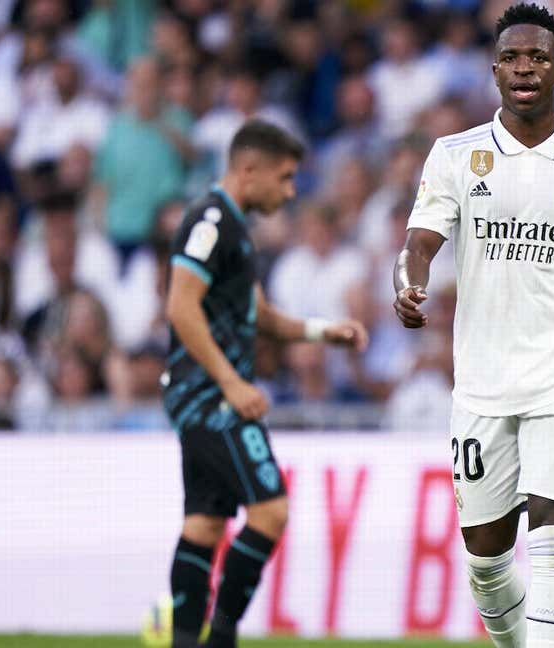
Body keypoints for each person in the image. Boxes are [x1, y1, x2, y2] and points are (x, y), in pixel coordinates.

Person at [391, 5, 554, 647]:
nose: (524, 67)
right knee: (486, 562)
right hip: (481, 383)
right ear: (494, 70)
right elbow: (421, 239)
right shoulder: (455, 155)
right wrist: (409, 279)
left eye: (537, 57)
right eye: (511, 57)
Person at [161, 120, 368, 648]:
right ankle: (222, 638)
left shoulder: (234, 227)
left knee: (205, 525)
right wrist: (231, 384)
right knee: (271, 509)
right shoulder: (210, 222)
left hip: (203, 393)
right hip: (208, 395)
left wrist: (324, 332)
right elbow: (180, 308)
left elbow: (261, 315)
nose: (291, 191)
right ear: (249, 169)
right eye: (285, 178)